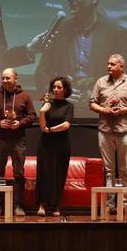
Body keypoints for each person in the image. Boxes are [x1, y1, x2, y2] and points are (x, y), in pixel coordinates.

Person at [36, 0, 127, 111]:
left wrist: (100, 92)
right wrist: (56, 93)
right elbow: (42, 71)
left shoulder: (116, 33)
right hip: (63, 108)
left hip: (104, 109)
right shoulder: (60, 29)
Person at [89, 54, 127, 212]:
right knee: (109, 171)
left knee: (124, 170)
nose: (109, 66)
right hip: (105, 130)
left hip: (124, 130)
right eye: (108, 63)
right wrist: (103, 109)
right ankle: (110, 205)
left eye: (113, 64)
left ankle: (125, 205)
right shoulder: (101, 82)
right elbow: (92, 103)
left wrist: (124, 110)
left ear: (121, 66)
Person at [0, 68, 35, 217]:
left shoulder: (25, 96)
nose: (5, 81)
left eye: (8, 78)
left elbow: (32, 115)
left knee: (19, 174)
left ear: (16, 78)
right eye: (3, 78)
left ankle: (18, 205)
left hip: (18, 140)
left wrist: (20, 123)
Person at [36, 76, 74, 217]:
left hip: (62, 144)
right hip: (46, 143)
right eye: (54, 87)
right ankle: (42, 205)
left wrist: (51, 130)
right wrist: (42, 112)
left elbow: (66, 125)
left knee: (59, 174)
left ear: (65, 90)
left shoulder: (69, 106)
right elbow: (42, 126)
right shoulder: (47, 104)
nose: (56, 89)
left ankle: (56, 206)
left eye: (59, 87)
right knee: (44, 174)